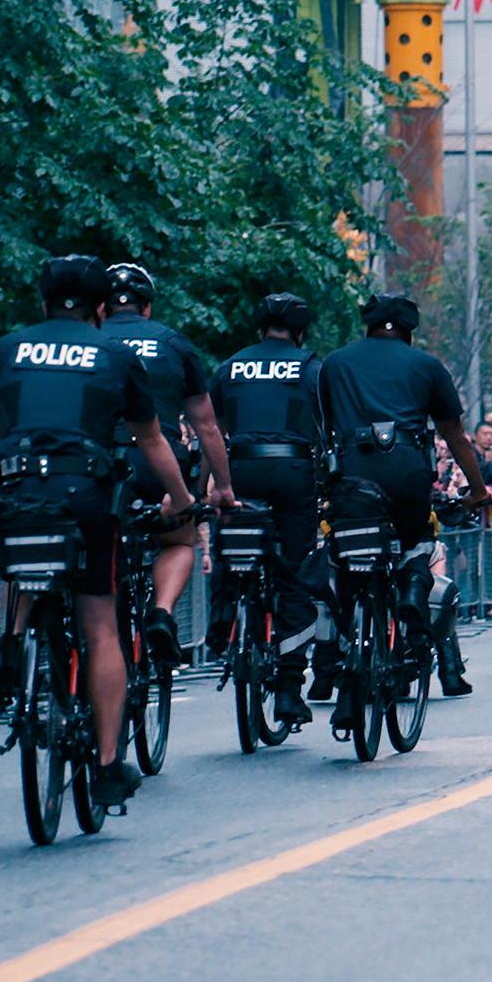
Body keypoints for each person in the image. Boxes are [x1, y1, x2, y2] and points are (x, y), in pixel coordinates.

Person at [0, 255, 197, 807]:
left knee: (23, 565)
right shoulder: (114, 353)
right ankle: (110, 763)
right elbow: (152, 439)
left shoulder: (7, 349)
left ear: (42, 303)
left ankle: (13, 652)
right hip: (85, 495)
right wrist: (182, 501)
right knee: (99, 627)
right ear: (98, 308)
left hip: (17, 488)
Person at [319, 293, 490, 713]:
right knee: (418, 537)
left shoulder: (335, 364)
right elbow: (456, 435)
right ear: (410, 330)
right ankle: (415, 588)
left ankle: (346, 660)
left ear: (368, 324)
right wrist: (478, 489)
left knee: (347, 559)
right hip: (409, 470)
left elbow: (322, 429)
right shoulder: (428, 366)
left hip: (353, 472)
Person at [101, 262, 236, 665]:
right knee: (179, 539)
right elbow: (207, 426)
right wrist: (224, 488)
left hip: (101, 463)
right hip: (160, 463)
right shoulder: (173, 344)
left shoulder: (88, 341)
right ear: (147, 308)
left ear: (101, 307)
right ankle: (160, 610)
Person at [208, 292, 333, 726]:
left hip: (241, 467)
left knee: (235, 548)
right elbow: (327, 426)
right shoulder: (313, 368)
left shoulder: (230, 367)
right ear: (300, 331)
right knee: (294, 575)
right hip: (293, 472)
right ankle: (288, 687)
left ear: (259, 328)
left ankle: (223, 623)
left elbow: (214, 425)